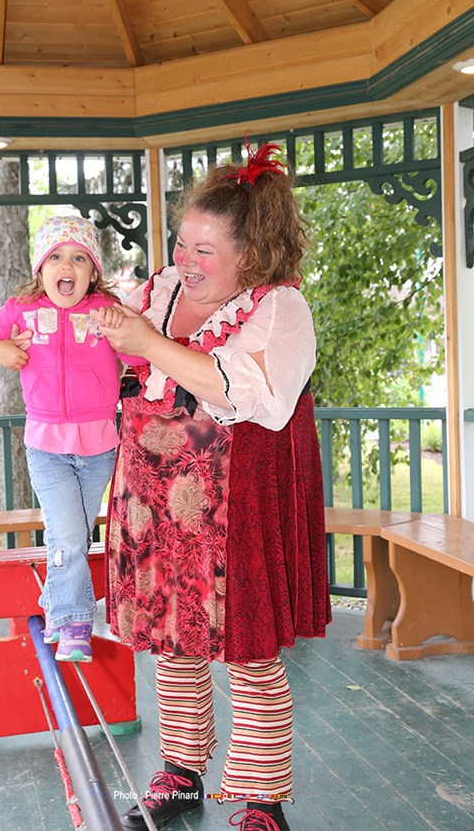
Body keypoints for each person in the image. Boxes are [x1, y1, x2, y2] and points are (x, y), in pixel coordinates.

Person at [96, 142, 331, 831]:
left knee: (249, 651)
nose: (186, 261)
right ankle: (181, 773)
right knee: (174, 642)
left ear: (251, 254)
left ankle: (263, 802)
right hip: (154, 498)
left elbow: (253, 397)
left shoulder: (278, 310)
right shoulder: (161, 292)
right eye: (181, 243)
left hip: (236, 500)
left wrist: (148, 344)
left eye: (205, 250)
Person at [0, 215, 143, 663]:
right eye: (56, 257)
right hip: (47, 448)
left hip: (99, 447)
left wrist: (124, 330)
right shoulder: (20, 311)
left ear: (93, 272)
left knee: (73, 536)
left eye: (79, 258)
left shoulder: (106, 311)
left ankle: (54, 605)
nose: (67, 266)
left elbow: (140, 355)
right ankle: (74, 622)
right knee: (68, 535)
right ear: (41, 269)